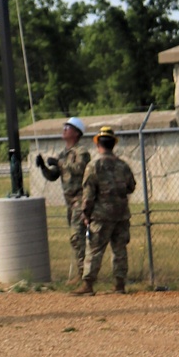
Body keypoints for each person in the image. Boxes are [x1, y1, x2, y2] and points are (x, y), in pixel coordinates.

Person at [75, 126, 136, 296]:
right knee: (120, 250)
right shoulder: (123, 166)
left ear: (98, 144)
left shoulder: (93, 166)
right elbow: (131, 186)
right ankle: (119, 285)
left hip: (101, 216)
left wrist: (86, 214)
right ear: (113, 145)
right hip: (121, 214)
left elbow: (88, 194)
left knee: (94, 250)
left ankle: (88, 285)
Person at [35, 117, 92, 283]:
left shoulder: (81, 152)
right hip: (70, 201)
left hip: (80, 199)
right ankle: (83, 271)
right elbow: (53, 176)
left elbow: (79, 169)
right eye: (64, 127)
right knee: (77, 237)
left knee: (76, 236)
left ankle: (82, 274)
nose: (64, 129)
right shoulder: (64, 154)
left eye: (68, 127)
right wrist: (44, 167)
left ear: (76, 133)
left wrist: (59, 163)